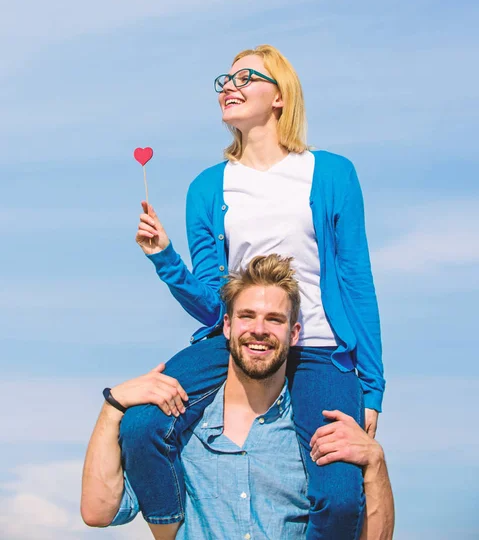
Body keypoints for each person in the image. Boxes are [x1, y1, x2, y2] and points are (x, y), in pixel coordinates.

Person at [122, 44, 386, 539]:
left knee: (340, 493)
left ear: (280, 96)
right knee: (140, 428)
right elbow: (210, 300)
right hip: (237, 343)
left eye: (246, 77)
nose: (230, 87)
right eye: (225, 80)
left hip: (320, 350)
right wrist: (164, 257)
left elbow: (356, 280)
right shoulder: (208, 187)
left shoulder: (331, 174)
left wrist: (371, 386)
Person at [81, 255, 394, 539]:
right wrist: (113, 406)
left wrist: (376, 463)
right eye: (247, 316)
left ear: (294, 333)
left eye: (274, 319)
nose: (259, 330)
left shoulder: (315, 434)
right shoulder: (179, 427)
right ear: (228, 326)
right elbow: (98, 511)